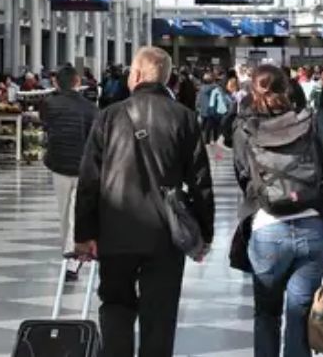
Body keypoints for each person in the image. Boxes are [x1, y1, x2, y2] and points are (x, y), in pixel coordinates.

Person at [75, 46, 215, 357]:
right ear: (167, 79)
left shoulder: (109, 116)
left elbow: (89, 182)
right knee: (160, 316)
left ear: (136, 75)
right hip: (165, 233)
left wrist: (84, 235)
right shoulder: (186, 118)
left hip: (115, 230)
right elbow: (201, 183)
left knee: (115, 307)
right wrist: (204, 234)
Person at [229, 65, 323, 357]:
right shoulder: (306, 123)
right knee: (300, 314)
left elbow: (243, 176)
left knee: (267, 315)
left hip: (267, 230)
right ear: (286, 88)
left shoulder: (244, 129)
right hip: (313, 229)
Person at [39, 66, 98, 281]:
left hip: (59, 166)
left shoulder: (48, 104)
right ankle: (73, 260)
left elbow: (46, 127)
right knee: (78, 213)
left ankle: (70, 256)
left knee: (64, 213)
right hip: (83, 168)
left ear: (56, 82)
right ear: (77, 81)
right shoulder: (91, 108)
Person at [197, 73, 219, 146]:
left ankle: (202, 140)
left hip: (203, 110)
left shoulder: (201, 88)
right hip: (210, 110)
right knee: (210, 127)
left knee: (203, 126)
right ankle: (209, 140)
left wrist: (198, 106)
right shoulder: (213, 88)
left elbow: (198, 99)